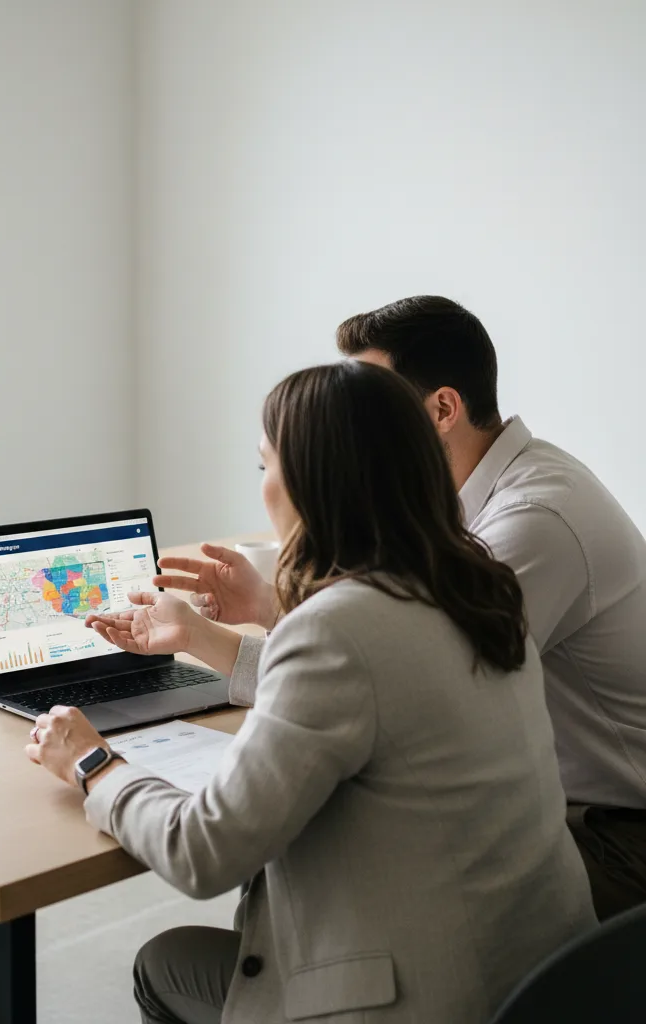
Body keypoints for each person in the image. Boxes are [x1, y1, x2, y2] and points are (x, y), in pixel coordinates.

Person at [26, 362, 596, 1024]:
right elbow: (373, 678)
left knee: (165, 962)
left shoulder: (338, 629)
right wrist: (202, 636)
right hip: (547, 979)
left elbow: (202, 852)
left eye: (264, 464)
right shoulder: (476, 588)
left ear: (310, 483)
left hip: (430, 1002)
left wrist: (93, 764)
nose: (262, 485)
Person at [162, 296, 646, 920]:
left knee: (304, 851)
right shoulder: (475, 498)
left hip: (614, 838)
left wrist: (217, 640)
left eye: (375, 400)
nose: (355, 421)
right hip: (559, 809)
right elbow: (392, 652)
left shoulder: (531, 522)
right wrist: (265, 605)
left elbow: (403, 688)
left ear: (443, 409)